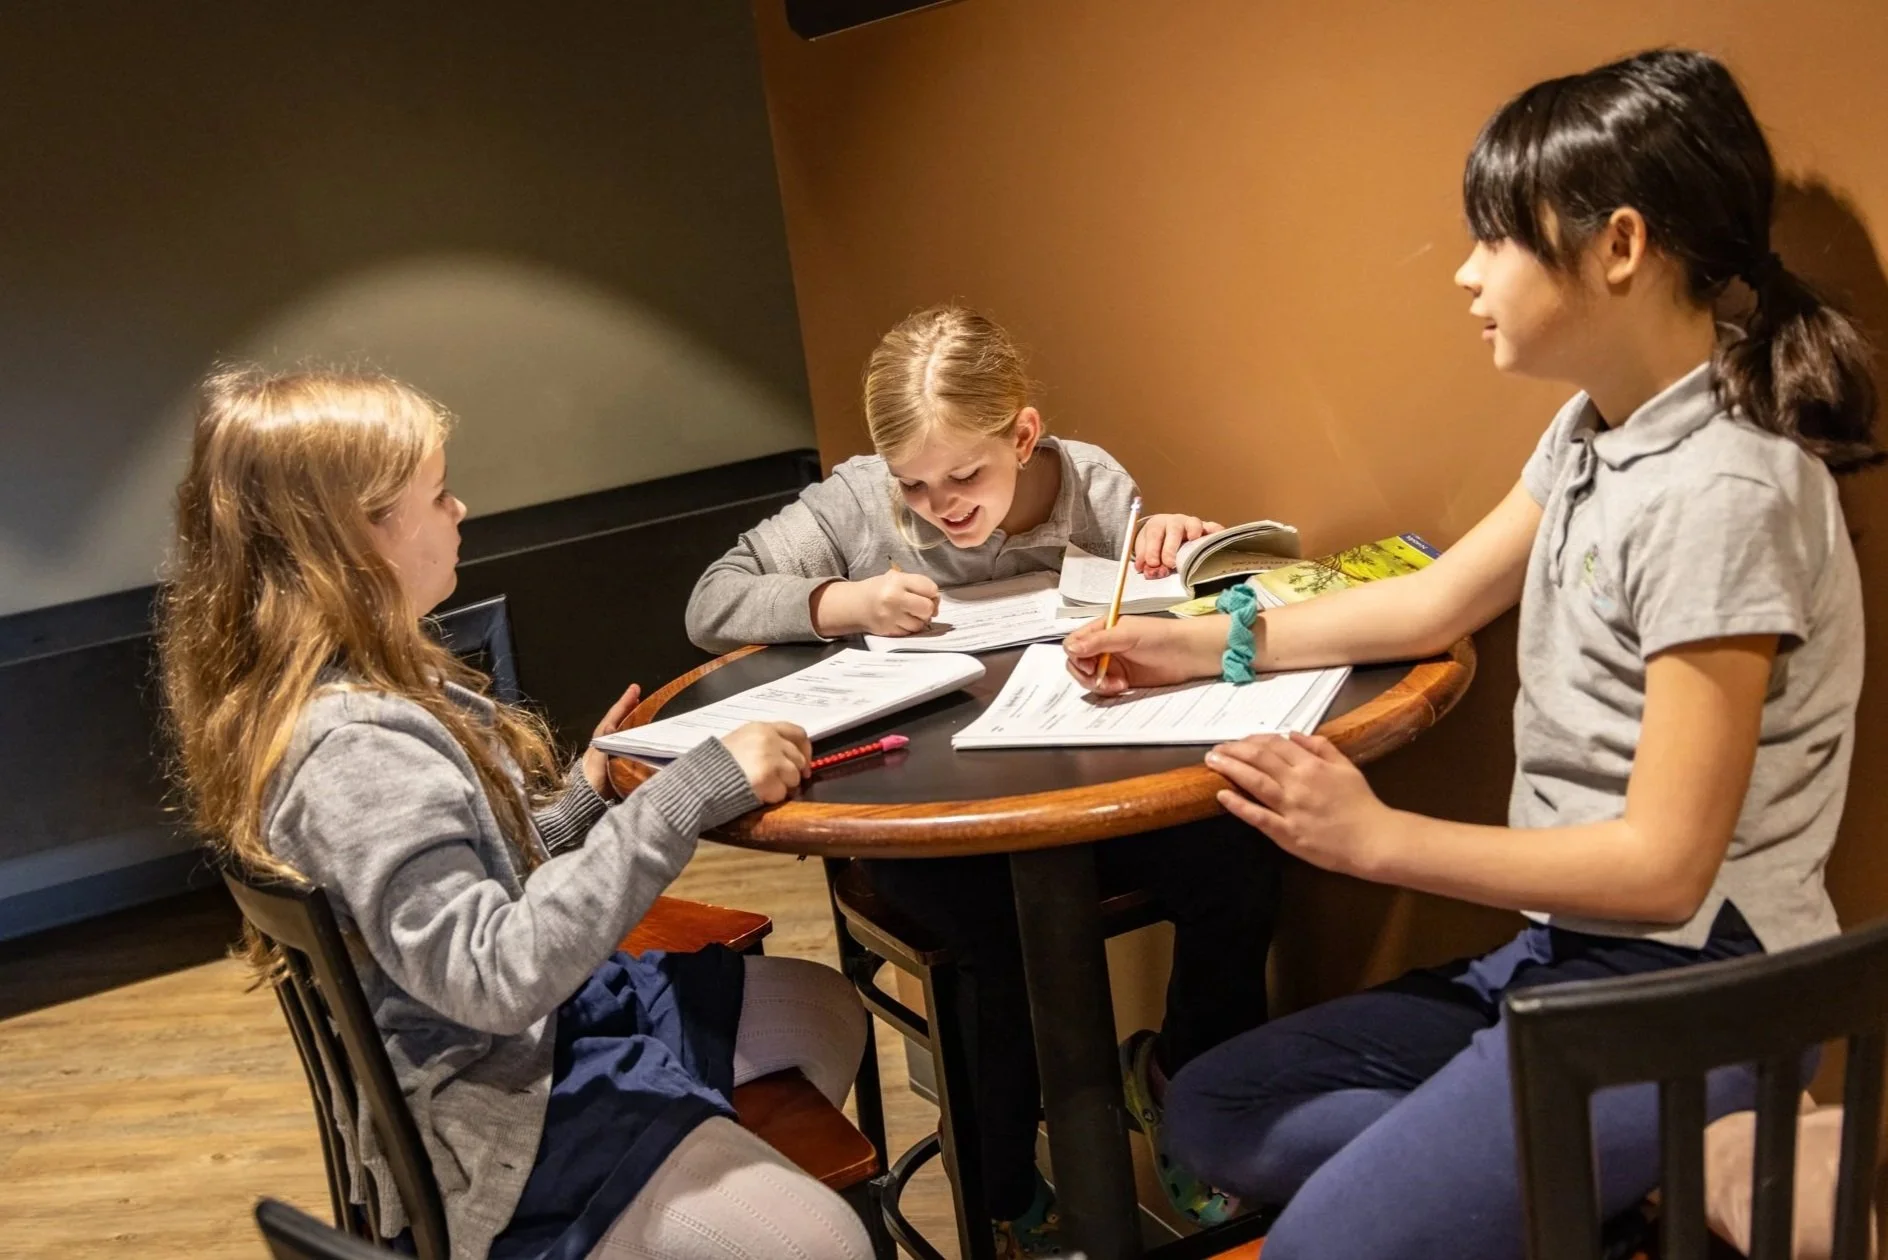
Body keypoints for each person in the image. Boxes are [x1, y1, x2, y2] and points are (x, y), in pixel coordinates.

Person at [1064, 49, 1876, 1260]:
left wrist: (1372, 838)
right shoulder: (1593, 433)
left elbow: (1662, 868)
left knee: (1309, 1250)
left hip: (1689, 988)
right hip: (1559, 956)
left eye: (1495, 237)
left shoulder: (1724, 492)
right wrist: (1202, 643)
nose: (1465, 271)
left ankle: (1624, 1150)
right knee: (1212, 1109)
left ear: (1617, 247)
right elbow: (1435, 604)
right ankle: (1604, 1178)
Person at [158, 367, 875, 1260]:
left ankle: (685, 1207)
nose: (461, 509)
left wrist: (581, 799)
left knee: (825, 1011)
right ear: (352, 541)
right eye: (438, 495)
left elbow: (466, 890)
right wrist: (683, 797)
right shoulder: (351, 753)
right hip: (501, 1110)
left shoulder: (374, 684)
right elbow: (495, 977)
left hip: (543, 1032)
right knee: (825, 1243)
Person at [687, 306, 1274, 1255]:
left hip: (1074, 783)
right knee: (1001, 941)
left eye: (967, 475)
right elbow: (712, 601)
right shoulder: (857, 505)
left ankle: (1178, 1083)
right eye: (916, 486)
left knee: (1238, 851)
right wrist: (845, 599)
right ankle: (999, 1186)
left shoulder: (1091, 487)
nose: (943, 503)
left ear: (1024, 435)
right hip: (927, 809)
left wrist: (1165, 552)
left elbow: (1149, 611)